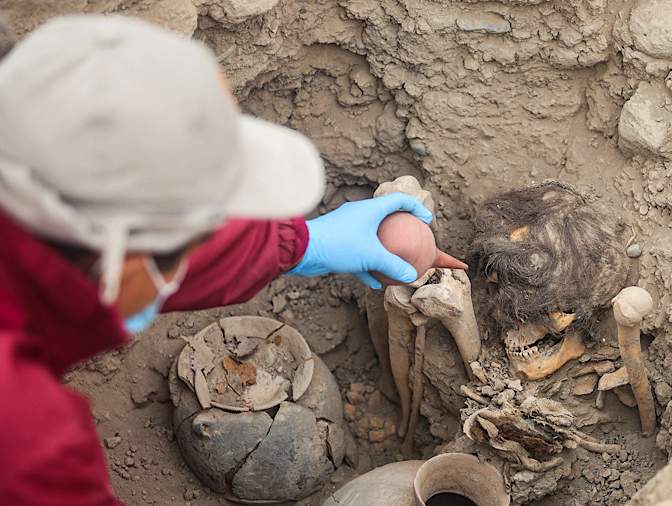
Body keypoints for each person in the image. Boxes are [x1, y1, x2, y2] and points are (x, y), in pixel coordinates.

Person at [0, 15, 434, 504]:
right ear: (119, 266)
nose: (201, 246)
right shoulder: (23, 447)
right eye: (193, 240)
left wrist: (301, 243)